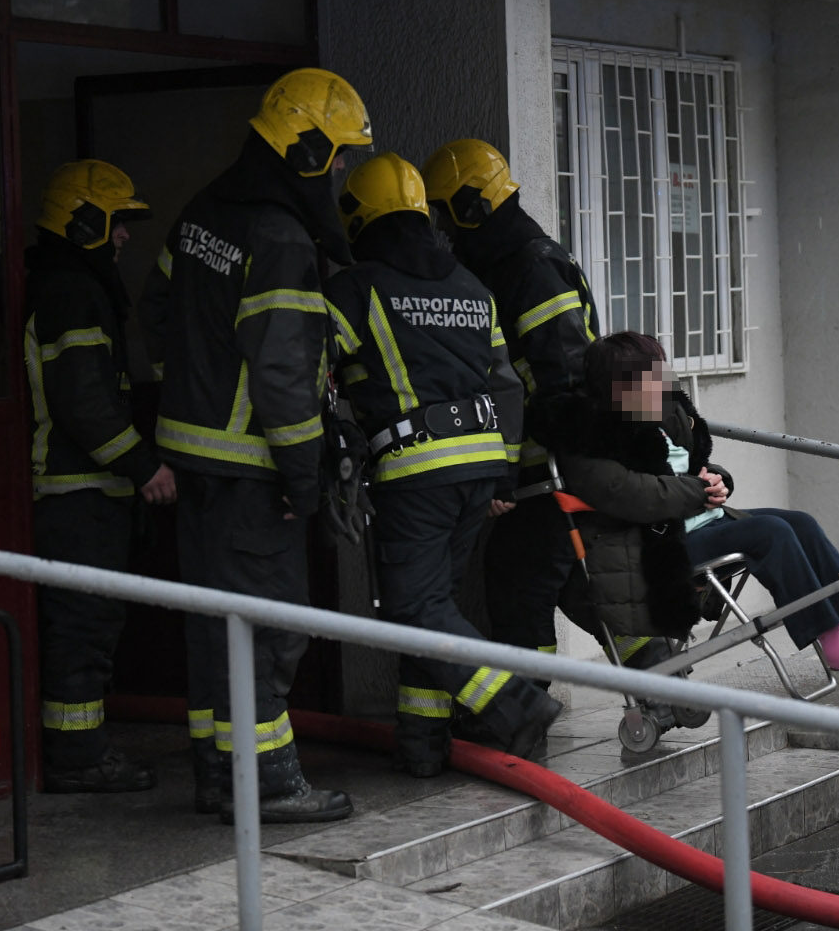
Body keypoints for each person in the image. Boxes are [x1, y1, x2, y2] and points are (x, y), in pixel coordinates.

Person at [146, 68, 371, 824]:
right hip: (252, 470)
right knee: (271, 629)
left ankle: (220, 774)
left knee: (216, 624)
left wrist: (183, 392)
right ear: (306, 150)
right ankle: (270, 784)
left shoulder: (205, 212)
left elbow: (155, 311)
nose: (342, 173)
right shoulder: (278, 238)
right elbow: (282, 376)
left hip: (193, 460)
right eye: (338, 156)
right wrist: (305, 481)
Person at [323, 152, 561, 776]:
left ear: (360, 218)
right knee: (434, 601)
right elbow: (508, 386)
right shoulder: (471, 288)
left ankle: (516, 703)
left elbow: (311, 367)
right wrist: (504, 472)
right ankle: (423, 745)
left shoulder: (354, 287)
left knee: (414, 608)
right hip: (480, 469)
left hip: (415, 472)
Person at [531, 332, 839, 687]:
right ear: (618, 389)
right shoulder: (589, 437)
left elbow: (690, 471)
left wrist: (717, 481)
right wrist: (699, 491)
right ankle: (833, 642)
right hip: (655, 546)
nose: (662, 387)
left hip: (701, 522)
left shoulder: (660, 420)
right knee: (770, 533)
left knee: (799, 523)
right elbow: (629, 493)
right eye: (649, 381)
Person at [423, 142, 672, 681]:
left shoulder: (527, 267)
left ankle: (526, 703)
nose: (443, 229)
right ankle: (660, 675)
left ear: (471, 209)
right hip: (552, 461)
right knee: (572, 580)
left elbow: (562, 371)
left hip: (549, 464)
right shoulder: (518, 258)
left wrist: (521, 465)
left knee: (518, 580)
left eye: (446, 213)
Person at [23, 160, 175, 793]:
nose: (124, 237)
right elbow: (84, 402)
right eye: (116, 223)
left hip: (85, 491)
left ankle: (80, 749)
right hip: (75, 493)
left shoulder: (69, 285)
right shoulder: (71, 291)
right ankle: (78, 758)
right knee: (82, 628)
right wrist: (143, 467)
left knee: (90, 625)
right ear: (83, 221)